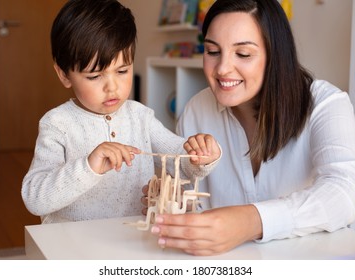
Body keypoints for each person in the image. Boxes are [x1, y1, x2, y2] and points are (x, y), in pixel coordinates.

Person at [147, 0, 355, 256]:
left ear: (275, 55)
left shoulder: (325, 104)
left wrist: (250, 221)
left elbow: (344, 194)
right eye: (213, 51)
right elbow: (187, 195)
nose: (223, 68)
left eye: (243, 54)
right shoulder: (196, 110)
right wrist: (168, 201)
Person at [21, 0, 221, 224]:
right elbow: (35, 199)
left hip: (131, 238)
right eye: (95, 76)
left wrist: (199, 156)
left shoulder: (140, 116)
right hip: (74, 246)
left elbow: (179, 162)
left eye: (123, 71)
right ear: (64, 75)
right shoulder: (57, 124)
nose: (112, 87)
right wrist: (89, 166)